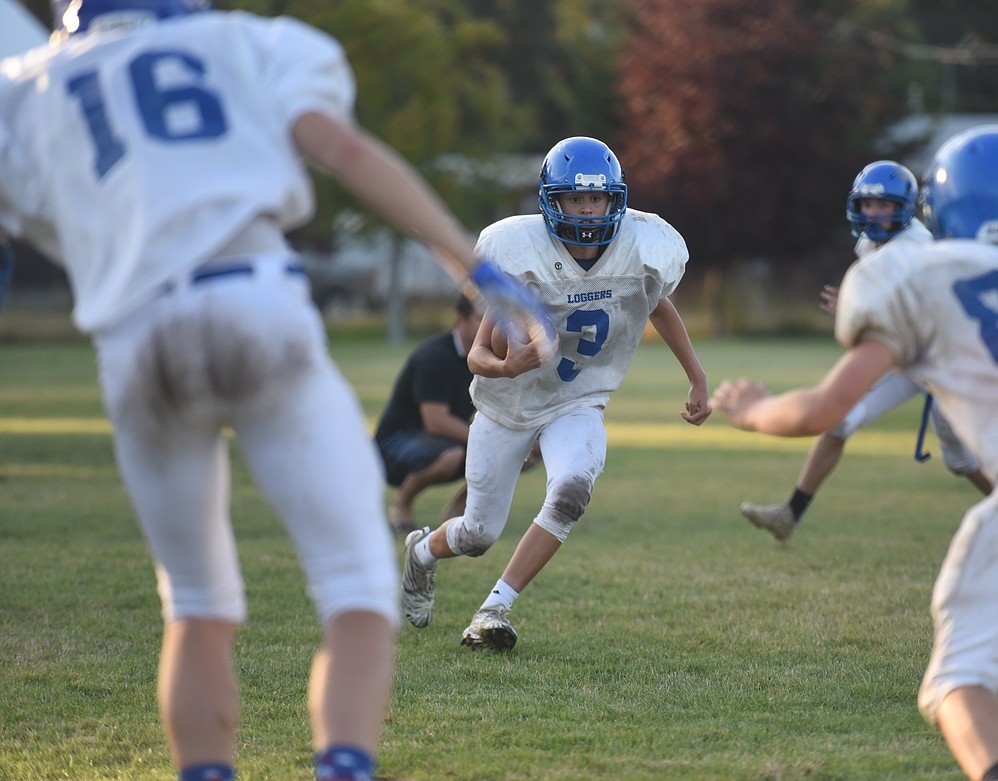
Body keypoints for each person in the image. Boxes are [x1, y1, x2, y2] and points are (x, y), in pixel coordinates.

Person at [0, 2, 551, 780]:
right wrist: (476, 269)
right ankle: (344, 765)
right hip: (256, 302)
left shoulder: (26, 86)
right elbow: (343, 150)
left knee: (194, 601)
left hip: (133, 338)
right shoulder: (249, 44)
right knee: (356, 583)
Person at [713, 125, 998, 781]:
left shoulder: (914, 271)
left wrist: (751, 406)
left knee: (958, 680)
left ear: (941, 207)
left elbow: (823, 409)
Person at [400, 136, 711, 651]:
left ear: (615, 199)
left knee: (571, 491)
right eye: (576, 198)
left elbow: (658, 305)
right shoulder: (520, 255)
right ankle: (422, 555)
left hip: (578, 399)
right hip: (507, 409)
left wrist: (696, 376)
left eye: (597, 198)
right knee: (477, 534)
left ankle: (493, 609)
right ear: (552, 200)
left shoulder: (641, 247)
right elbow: (478, 357)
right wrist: (509, 363)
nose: (588, 209)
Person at [740, 161, 990, 542]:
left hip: (944, 358)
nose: (873, 214)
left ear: (905, 207)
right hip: (902, 353)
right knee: (839, 420)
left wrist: (858, 309)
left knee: (959, 459)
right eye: (868, 205)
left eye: (884, 206)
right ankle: (791, 513)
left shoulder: (915, 248)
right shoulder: (873, 243)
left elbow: (917, 310)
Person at [373, 295, 481, 536]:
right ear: (460, 319)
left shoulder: (486, 357)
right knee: (452, 455)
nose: (490, 328)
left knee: (517, 452)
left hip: (446, 440)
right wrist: (487, 440)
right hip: (395, 445)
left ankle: (459, 511)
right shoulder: (435, 356)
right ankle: (401, 505)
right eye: (481, 319)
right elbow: (436, 422)